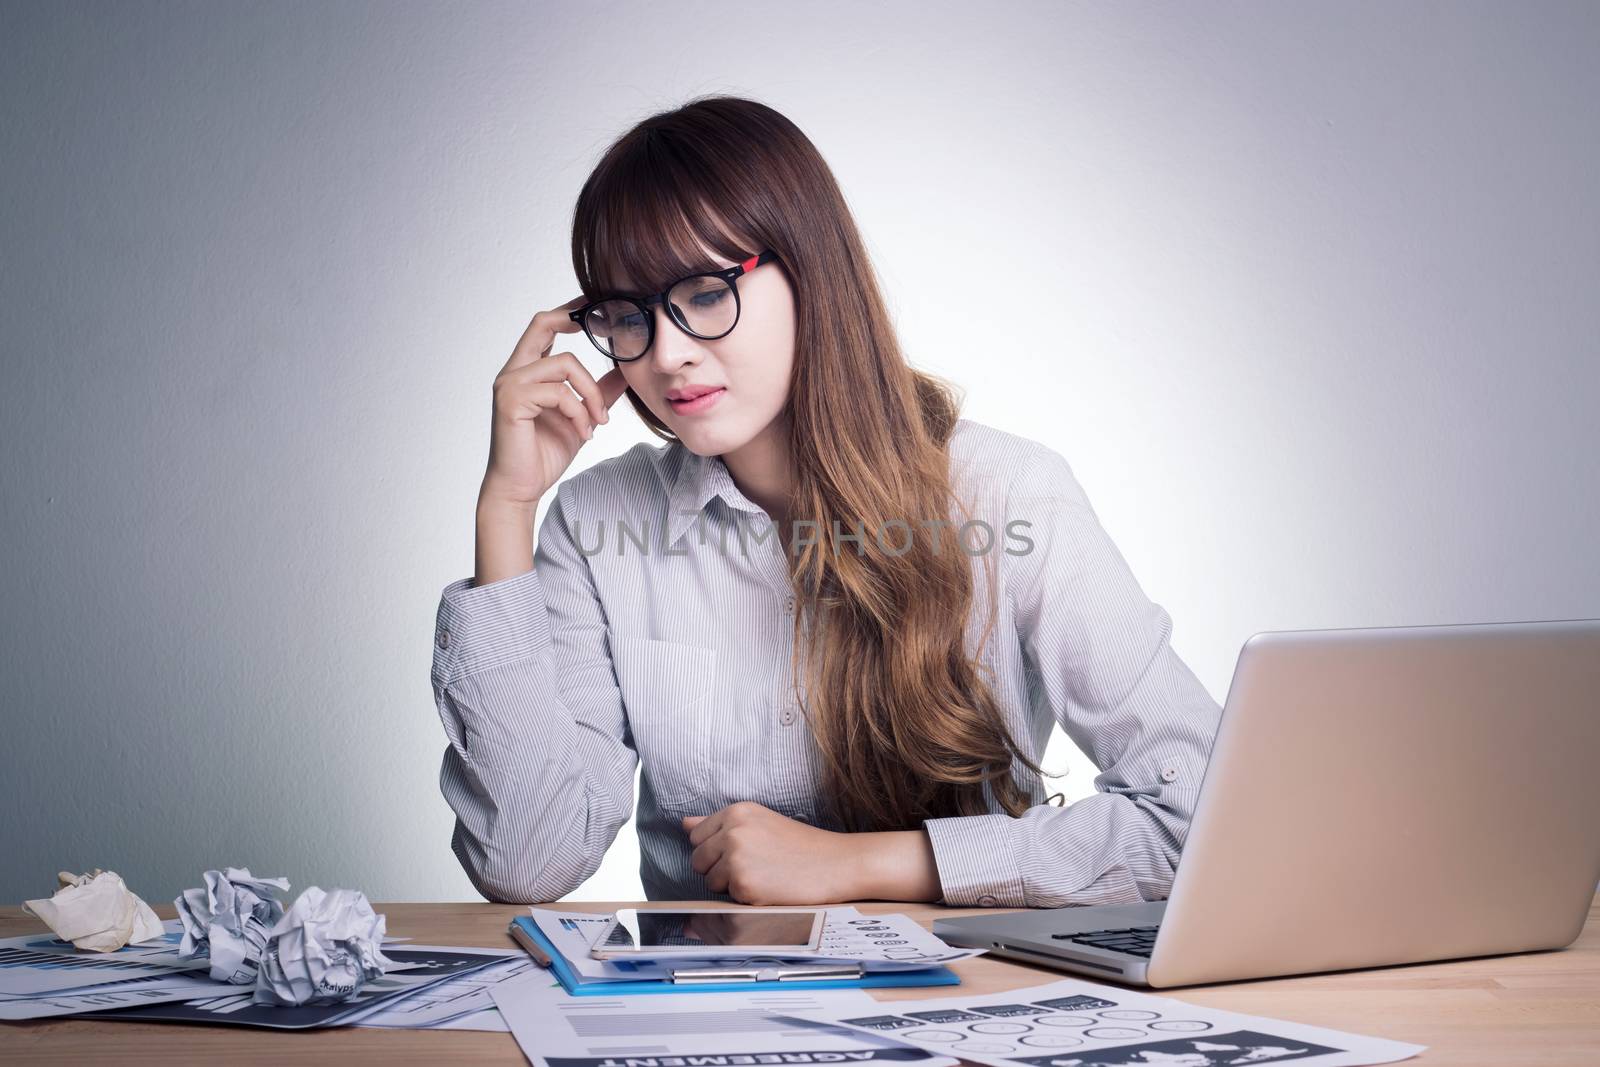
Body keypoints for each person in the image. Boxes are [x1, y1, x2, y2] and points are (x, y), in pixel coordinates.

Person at [430, 94, 1222, 908]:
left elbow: (1200, 815)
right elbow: (525, 861)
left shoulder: (1007, 494)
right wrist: (507, 507)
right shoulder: (598, 525)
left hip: (966, 1007)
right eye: (627, 315)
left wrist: (872, 863)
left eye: (704, 293)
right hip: (703, 1022)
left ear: (812, 271)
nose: (666, 355)